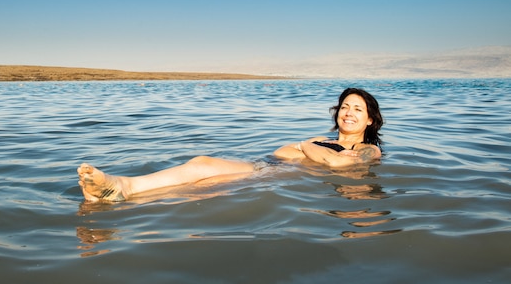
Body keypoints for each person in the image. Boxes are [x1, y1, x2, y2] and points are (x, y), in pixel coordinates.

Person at [77, 87, 383, 203]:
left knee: (202, 168)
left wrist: (304, 146)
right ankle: (116, 196)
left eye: (357, 109)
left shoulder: (368, 150)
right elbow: (280, 152)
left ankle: (123, 188)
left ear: (370, 120)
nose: (348, 112)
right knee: (201, 179)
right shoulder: (323, 141)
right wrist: (310, 151)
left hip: (280, 178)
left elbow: (337, 164)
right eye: (345, 106)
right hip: (270, 168)